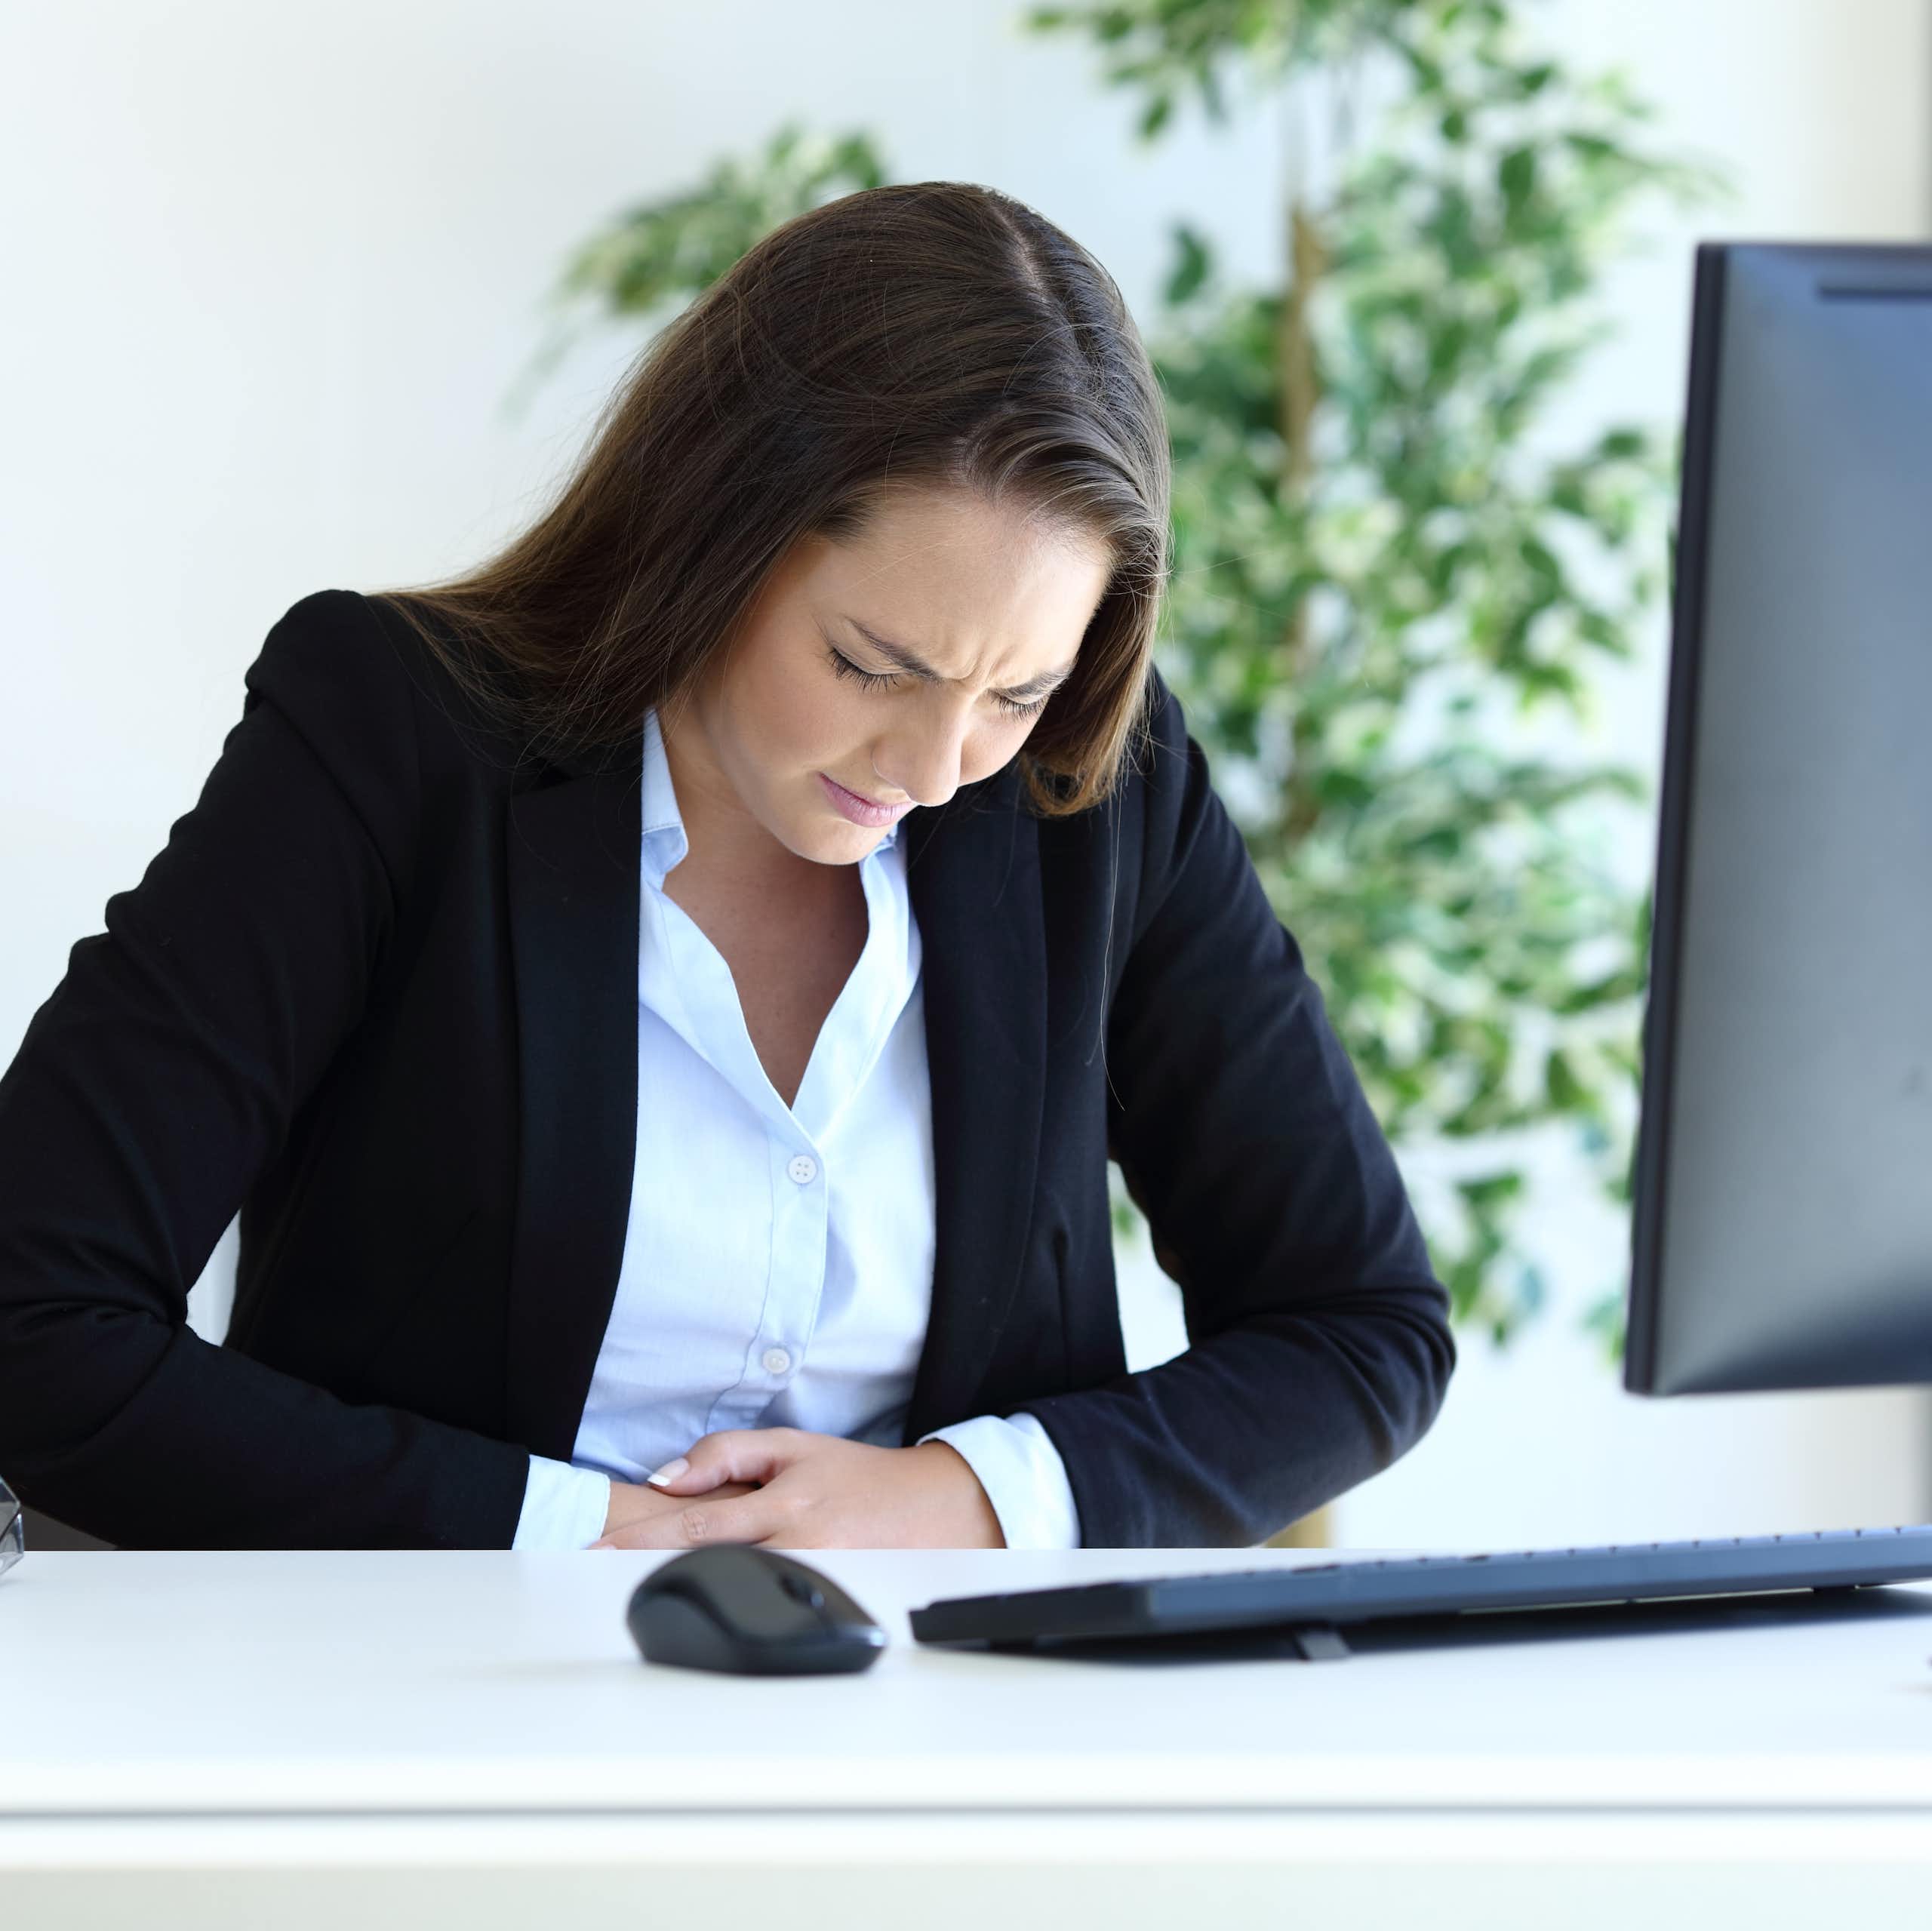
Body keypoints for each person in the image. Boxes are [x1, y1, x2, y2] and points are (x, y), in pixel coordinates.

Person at [0, 182, 1455, 1551]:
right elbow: (34, 1311)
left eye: (1014, 693)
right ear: (715, 528)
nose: (941, 767)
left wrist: (967, 1495)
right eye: (874, 663)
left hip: (957, 1729)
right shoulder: (395, 738)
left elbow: (1362, 1326)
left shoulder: (1099, 797)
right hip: (425, 1709)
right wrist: (581, 1533)